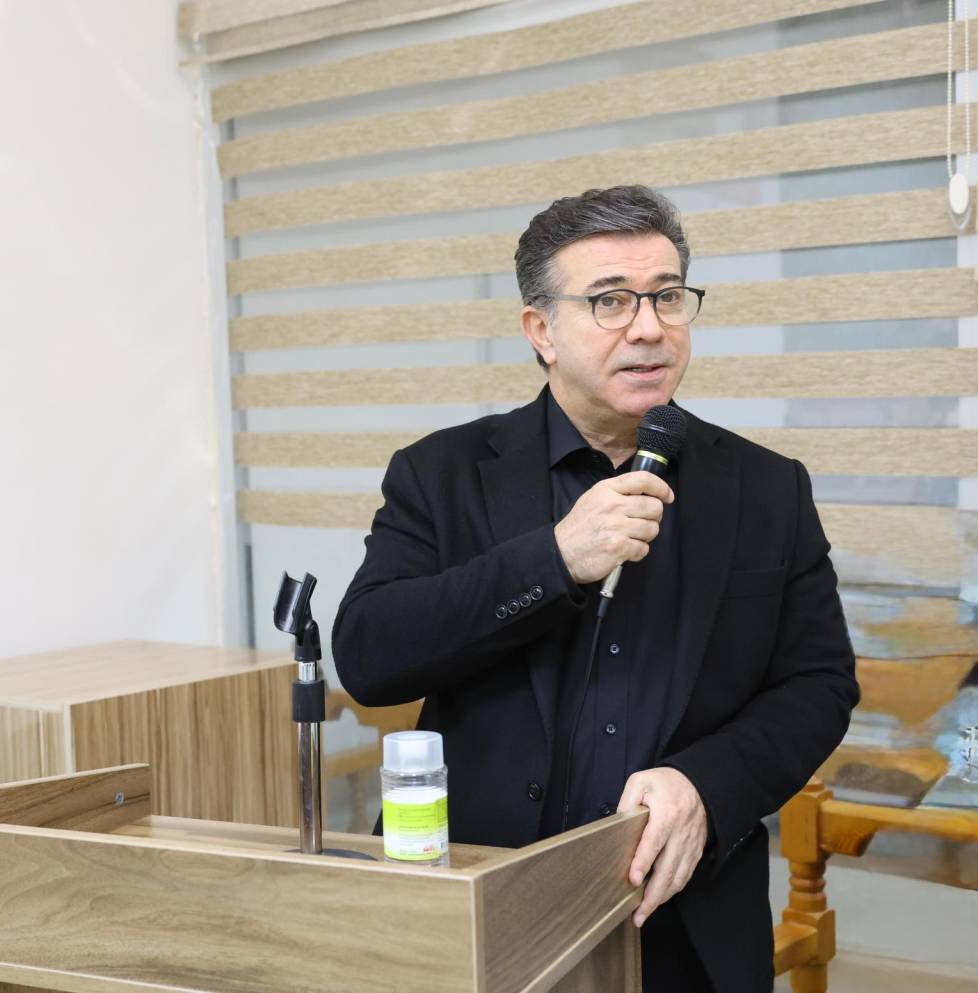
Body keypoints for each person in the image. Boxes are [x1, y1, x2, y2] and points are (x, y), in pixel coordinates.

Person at [332, 185, 859, 993]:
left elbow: (819, 683)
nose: (648, 327)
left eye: (668, 296)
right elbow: (370, 655)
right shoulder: (442, 473)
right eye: (611, 300)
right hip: (477, 902)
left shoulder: (766, 487)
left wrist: (707, 782)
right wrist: (555, 558)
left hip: (682, 920)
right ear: (541, 330)